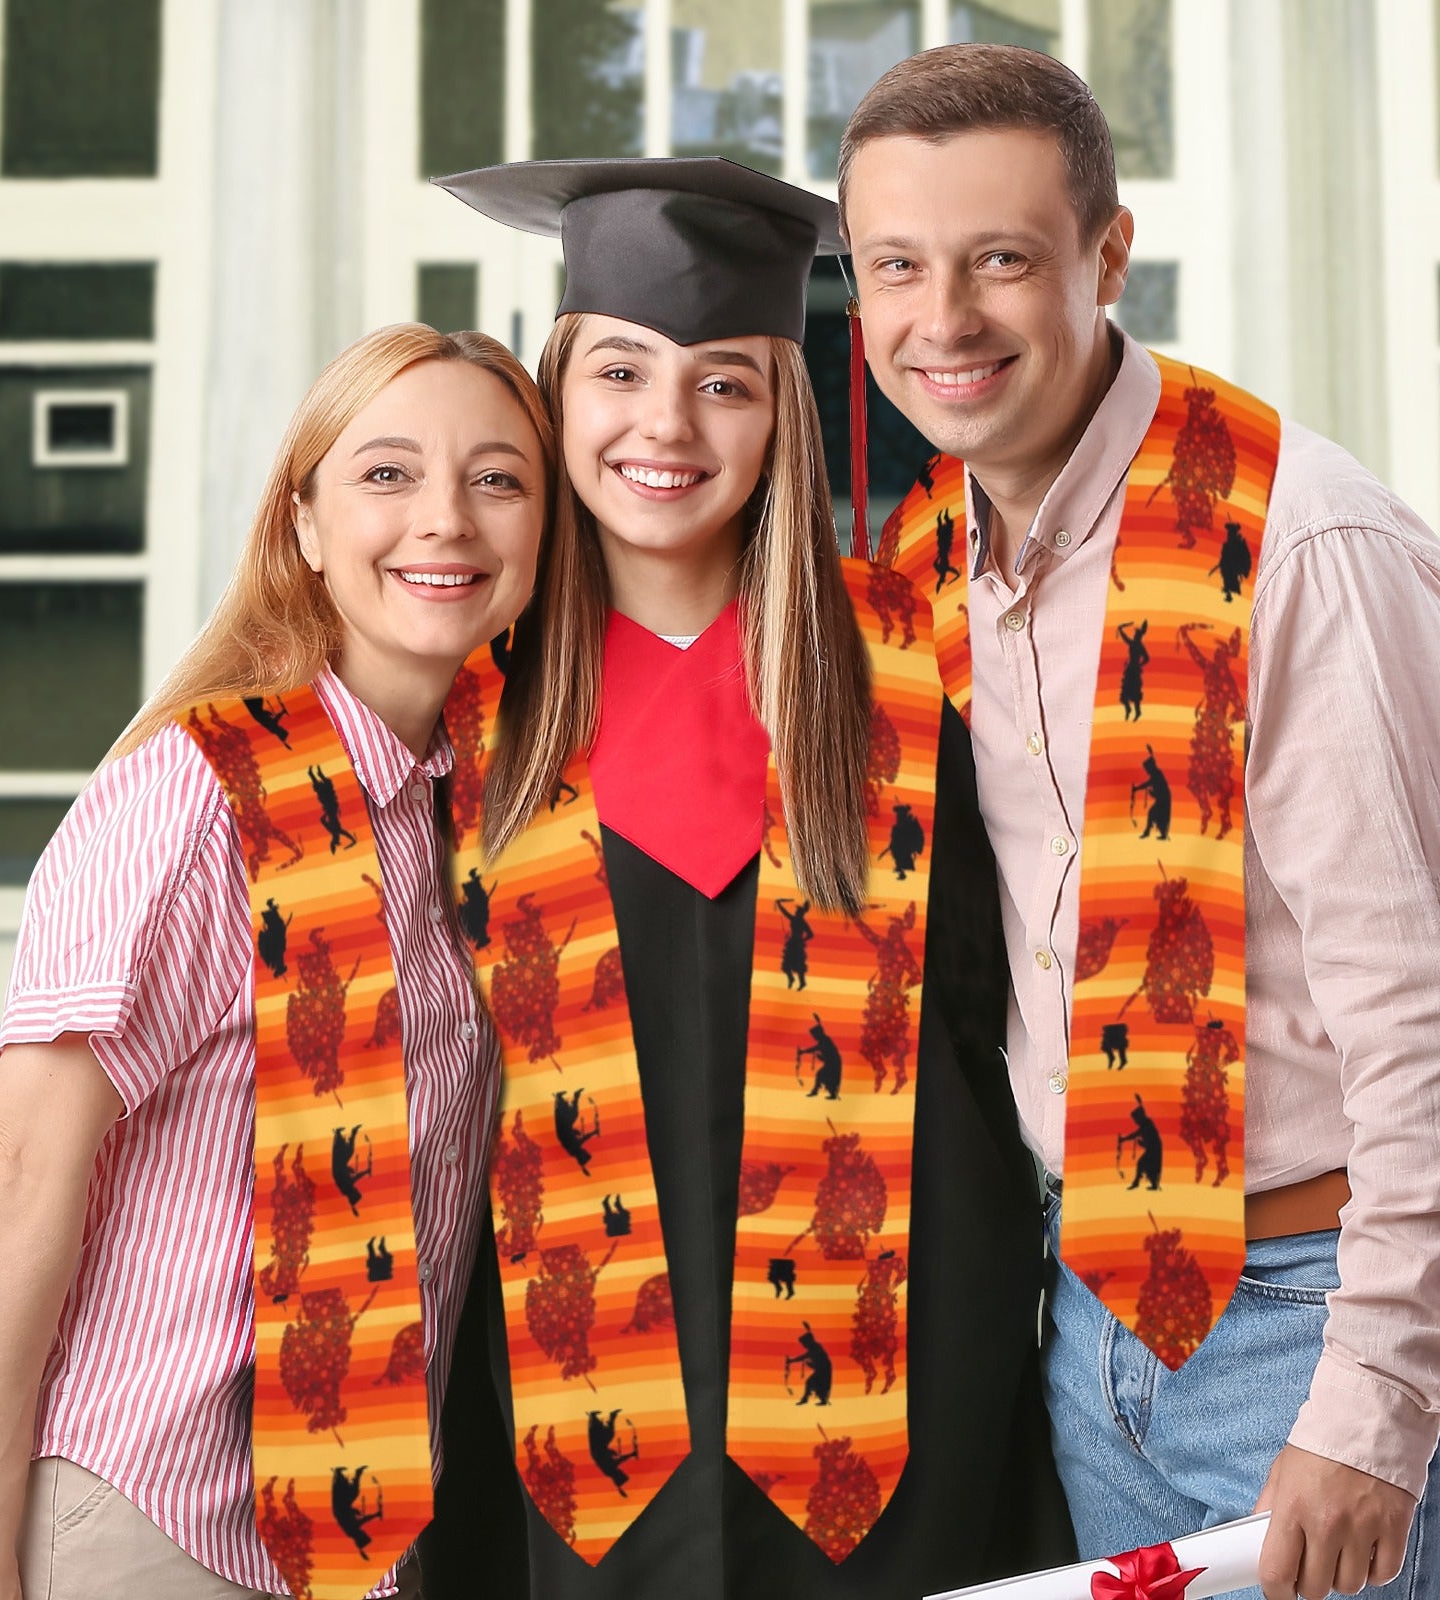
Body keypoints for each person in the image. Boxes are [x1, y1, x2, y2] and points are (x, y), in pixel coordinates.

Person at [836, 43, 1440, 1600]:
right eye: (898, 266)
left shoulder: (1302, 548)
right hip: (1087, 1312)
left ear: (1107, 256)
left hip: (1308, 1318)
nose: (941, 320)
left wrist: (1375, 1411)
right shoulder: (930, 552)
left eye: (1001, 260)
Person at [413, 157, 1070, 1600]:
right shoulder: (457, 703)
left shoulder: (920, 661)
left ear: (784, 413)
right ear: (554, 392)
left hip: (901, 1397)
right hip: (552, 1411)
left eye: (725, 382)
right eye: (622, 372)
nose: (667, 425)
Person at [0, 324, 553, 1600]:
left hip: (357, 1537)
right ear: (302, 525)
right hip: (149, 1520)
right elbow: (21, 1171)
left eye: (498, 478)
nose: (445, 521)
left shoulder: (461, 814)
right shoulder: (193, 796)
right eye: (387, 474)